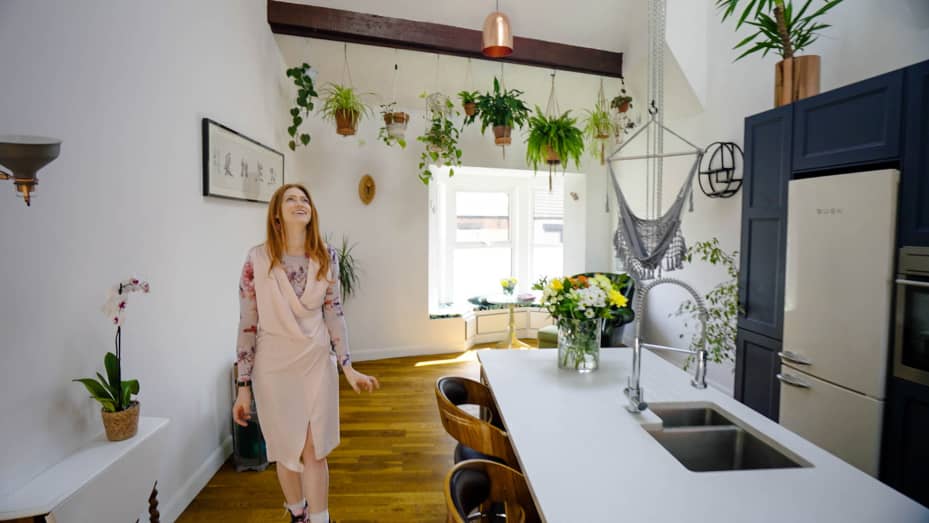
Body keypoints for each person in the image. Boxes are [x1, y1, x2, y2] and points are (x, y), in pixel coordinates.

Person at [232, 183, 379, 523]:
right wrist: (243, 386)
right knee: (286, 451)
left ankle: (321, 519)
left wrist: (348, 368)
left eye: (305, 199)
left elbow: (334, 313)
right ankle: (298, 513)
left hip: (316, 362)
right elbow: (247, 323)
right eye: (290, 199)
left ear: (311, 211)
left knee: (315, 450)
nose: (300, 203)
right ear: (277, 214)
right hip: (273, 368)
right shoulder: (256, 259)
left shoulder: (327, 256)